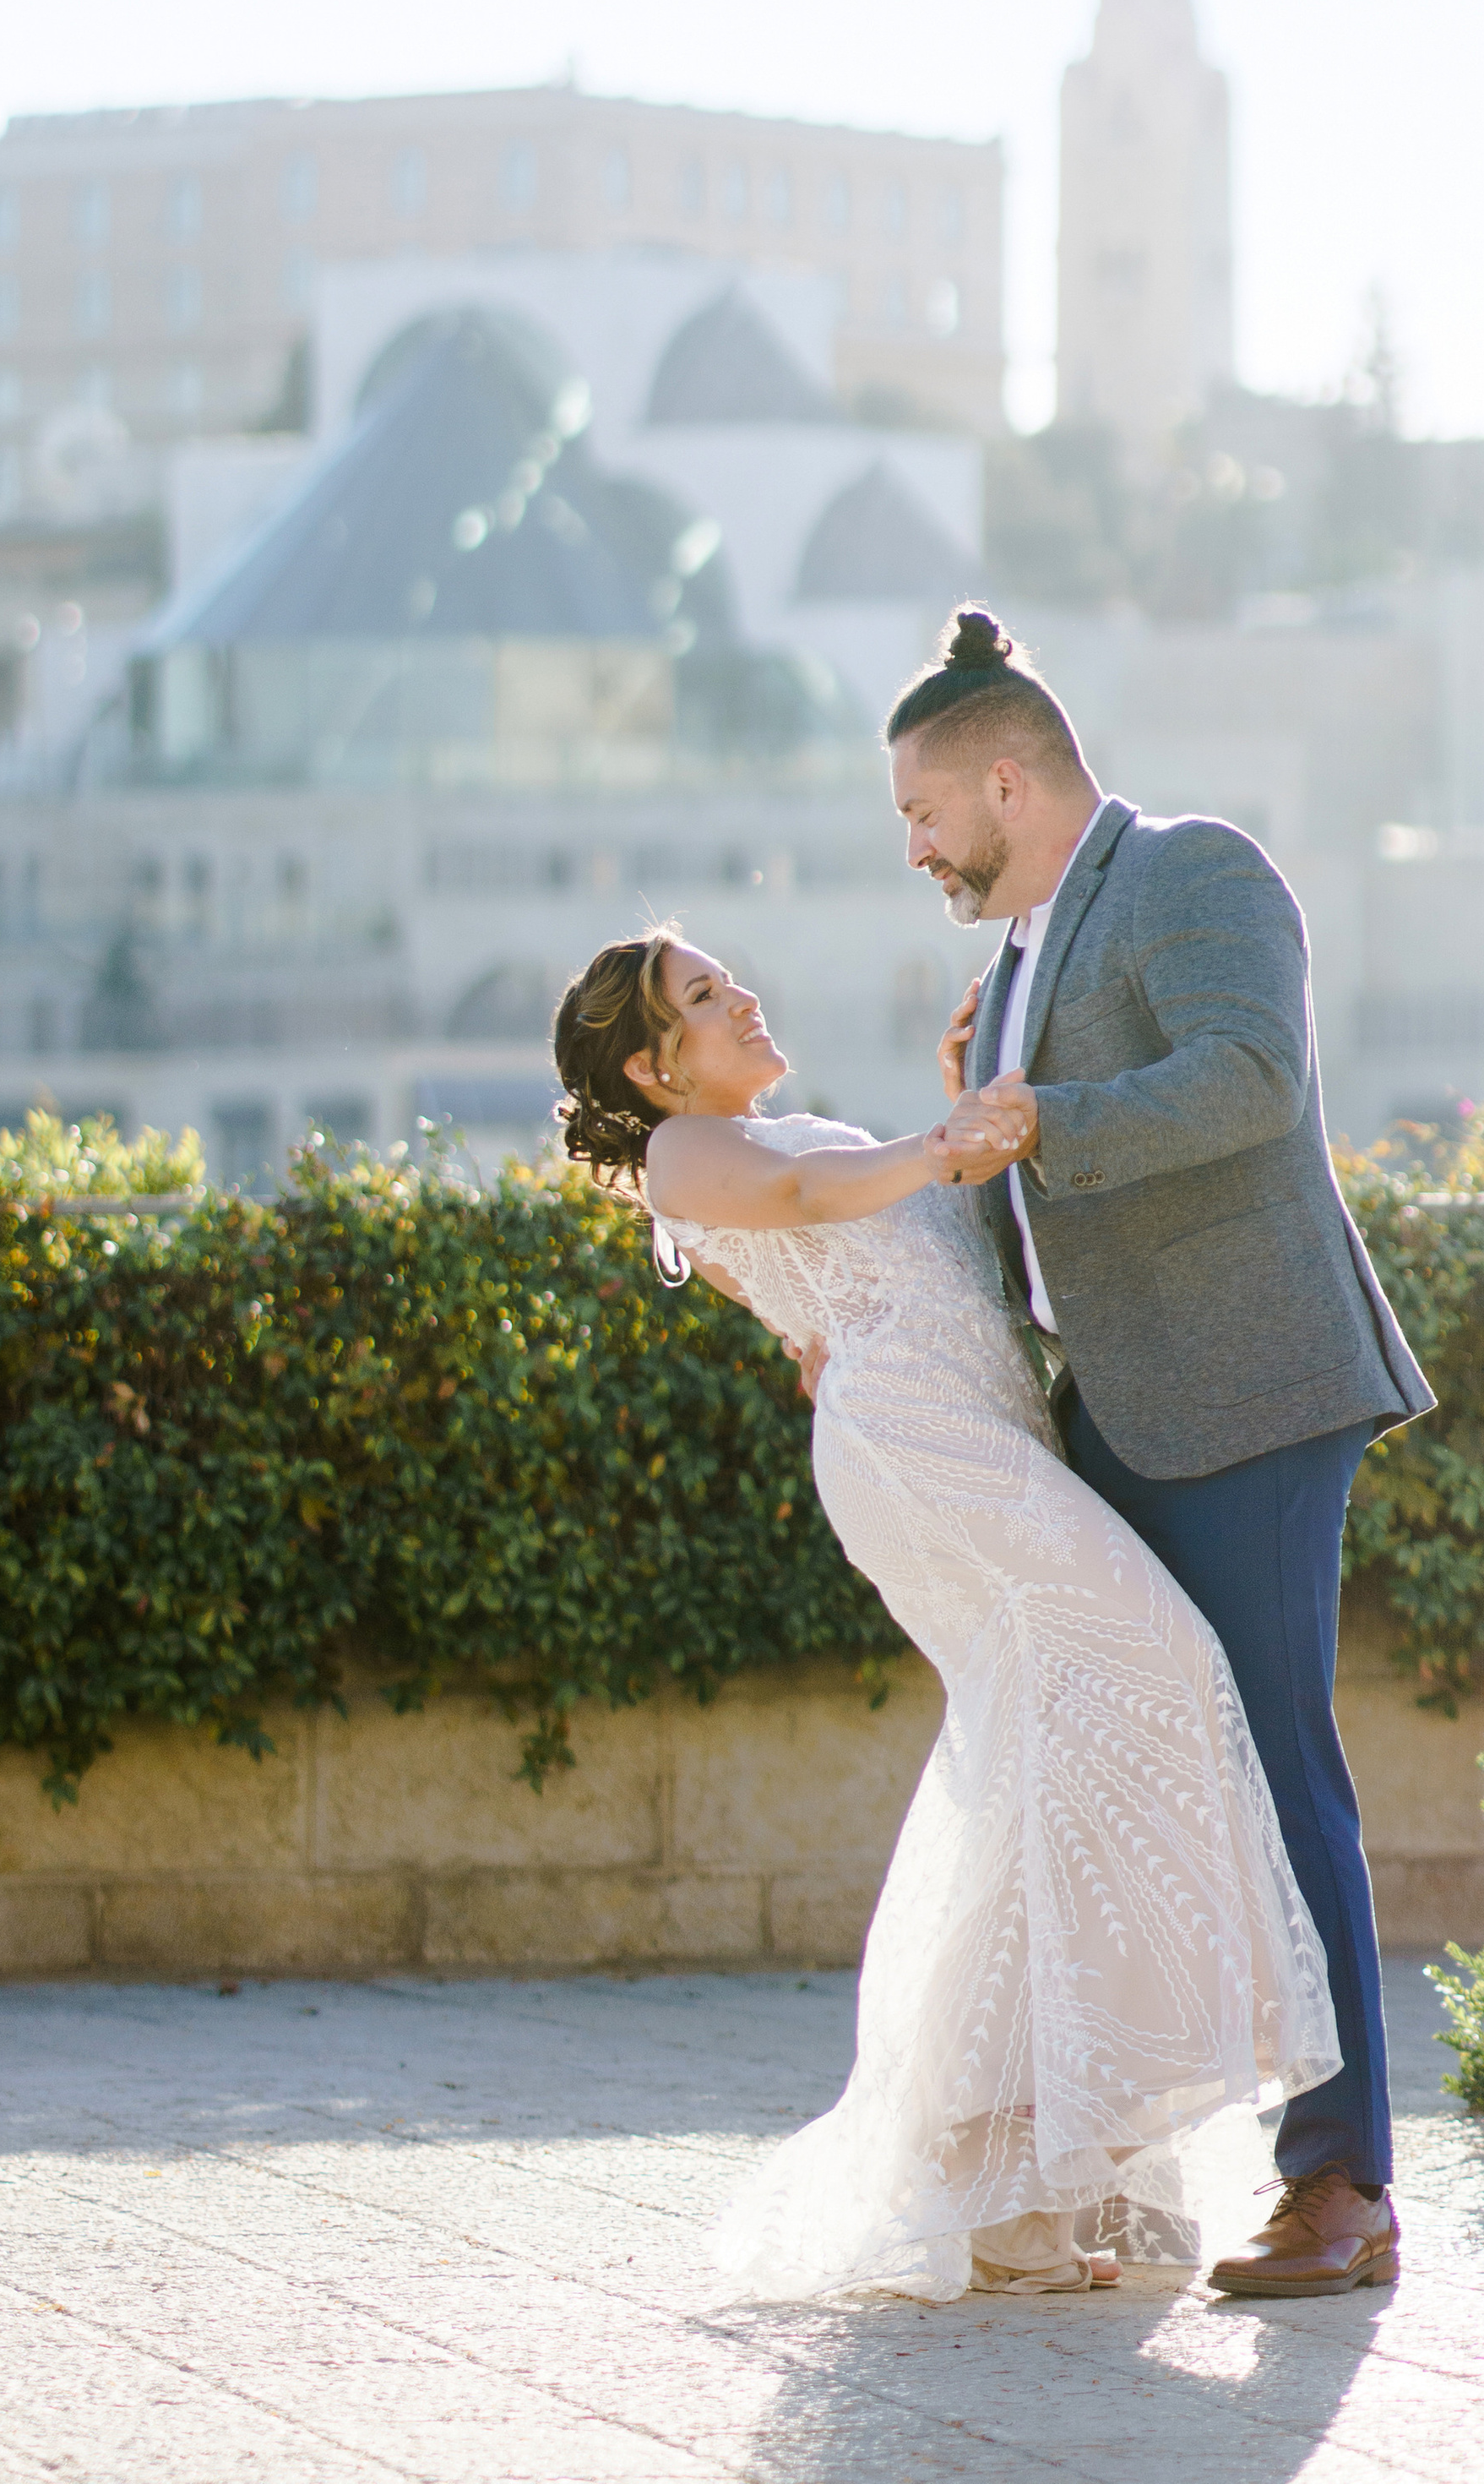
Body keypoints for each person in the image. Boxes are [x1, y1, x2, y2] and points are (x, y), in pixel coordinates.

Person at [551, 929, 1339, 2306]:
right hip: (928, 1461)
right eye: (702, 996)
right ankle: (1002, 2152)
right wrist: (945, 1138)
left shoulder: (789, 1136)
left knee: (1055, 1753)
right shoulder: (688, 1158)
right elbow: (798, 1200)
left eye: (733, 976)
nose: (742, 995)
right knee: (1154, 1668)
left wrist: (949, 1116)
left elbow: (836, 1277)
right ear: (649, 1064)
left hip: (978, 1434)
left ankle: (1020, 2163)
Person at [891, 607, 1438, 2302]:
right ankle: (1129, 2163)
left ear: (1005, 775)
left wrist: (1042, 1113)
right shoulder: (1009, 967)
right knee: (1130, 1802)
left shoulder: (1194, 871)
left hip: (1248, 1406)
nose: (913, 851)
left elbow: (1250, 1081)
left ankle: (1341, 2187)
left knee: (1280, 1779)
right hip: (1112, 1422)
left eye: (922, 816)